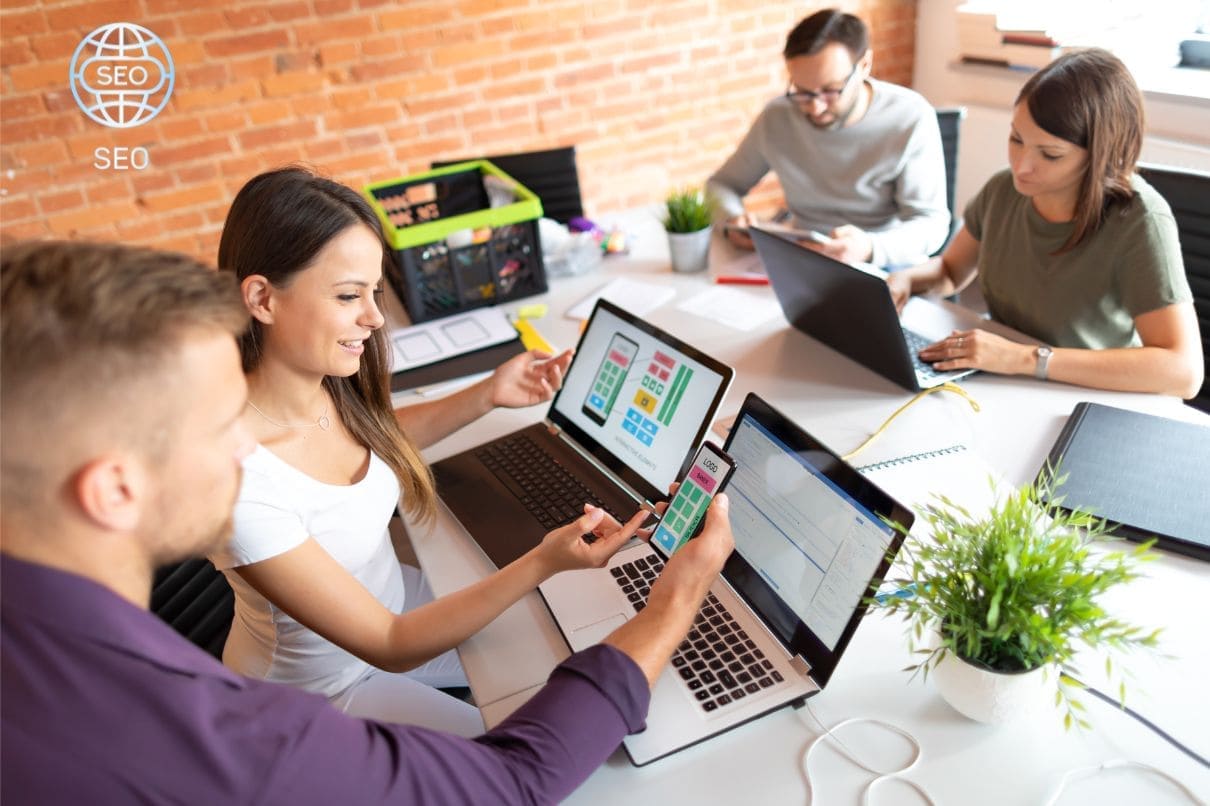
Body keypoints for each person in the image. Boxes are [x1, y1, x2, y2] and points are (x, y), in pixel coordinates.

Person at [0, 239, 736, 802]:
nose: (247, 444)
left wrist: (483, 398)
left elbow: (350, 447)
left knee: (548, 647)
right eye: (221, 424)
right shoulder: (220, 738)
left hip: (377, 620)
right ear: (114, 489)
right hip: (339, 679)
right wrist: (674, 601)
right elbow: (509, 785)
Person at [212, 165, 658, 734]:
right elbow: (389, 645)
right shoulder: (237, 484)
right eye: (349, 295)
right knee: (516, 760)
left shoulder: (318, 383)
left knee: (562, 656)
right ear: (262, 299)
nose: (374, 318)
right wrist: (544, 560)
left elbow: (368, 441)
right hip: (320, 701)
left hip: (399, 605)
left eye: (374, 291)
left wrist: (488, 394)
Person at [887, 48, 1204, 399]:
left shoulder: (1140, 221)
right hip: (1004, 385)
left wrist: (1025, 359)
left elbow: (1184, 372)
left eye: (1050, 155)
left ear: (1099, 154)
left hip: (1087, 398)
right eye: (1016, 139)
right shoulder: (1003, 190)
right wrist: (906, 278)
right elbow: (949, 272)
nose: (1022, 166)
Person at [707, 8, 950, 268]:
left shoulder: (910, 116)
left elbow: (931, 224)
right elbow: (721, 185)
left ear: (865, 65)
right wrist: (732, 220)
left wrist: (869, 247)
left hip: (881, 260)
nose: (815, 107)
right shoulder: (778, 117)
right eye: (802, 91)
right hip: (803, 254)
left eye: (831, 90)